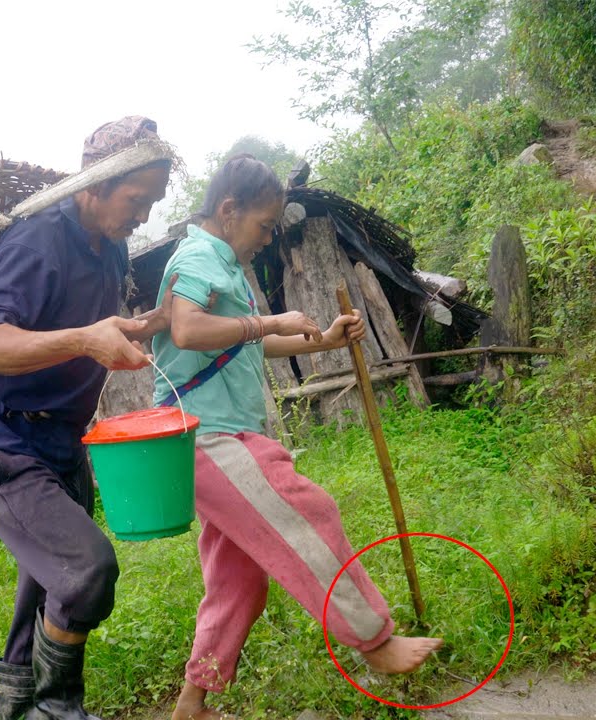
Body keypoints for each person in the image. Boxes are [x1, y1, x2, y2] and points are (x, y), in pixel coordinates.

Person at [151, 155, 443, 720]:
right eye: (264, 225)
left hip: (216, 435)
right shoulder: (196, 257)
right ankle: (374, 641)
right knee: (306, 510)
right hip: (209, 436)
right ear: (229, 210)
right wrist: (269, 321)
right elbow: (187, 330)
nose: (267, 238)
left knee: (238, 583)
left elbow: (242, 343)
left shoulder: (227, 264)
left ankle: (192, 705)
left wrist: (323, 340)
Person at [0, 116, 175, 720]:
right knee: (86, 570)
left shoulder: (111, 247)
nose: (143, 215)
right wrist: (86, 341)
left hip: (63, 438)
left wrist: (138, 326)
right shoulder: (36, 239)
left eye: (153, 203)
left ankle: (21, 709)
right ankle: (57, 710)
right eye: (137, 200)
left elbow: (90, 326)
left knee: (45, 583)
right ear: (94, 186)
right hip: (1, 435)